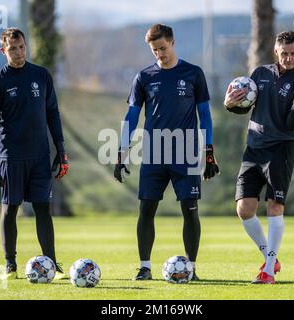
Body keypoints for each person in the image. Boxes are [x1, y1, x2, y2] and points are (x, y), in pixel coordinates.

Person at [114, 24, 220, 281]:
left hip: (186, 153)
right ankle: (145, 267)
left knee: (190, 208)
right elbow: (131, 115)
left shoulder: (193, 73)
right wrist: (122, 152)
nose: (159, 54)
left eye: (162, 48)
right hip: (153, 153)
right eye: (154, 51)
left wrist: (208, 152)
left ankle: (191, 269)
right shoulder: (144, 77)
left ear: (172, 42)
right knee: (146, 209)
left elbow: (204, 115)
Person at [224, 31, 294, 284]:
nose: (288, 58)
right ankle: (270, 257)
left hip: (281, 149)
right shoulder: (259, 74)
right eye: (284, 53)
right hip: (253, 148)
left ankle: (268, 270)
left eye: (293, 53)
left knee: (275, 206)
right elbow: (243, 108)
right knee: (244, 209)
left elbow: (290, 125)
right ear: (276, 51)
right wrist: (229, 103)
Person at [0, 28, 69, 280]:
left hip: (40, 156)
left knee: (43, 208)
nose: (19, 53)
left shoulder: (41, 75)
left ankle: (52, 264)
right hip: (11, 157)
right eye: (13, 49)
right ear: (3, 51)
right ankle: (10, 265)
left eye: (22, 47)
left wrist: (61, 150)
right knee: (10, 209)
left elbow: (53, 113)